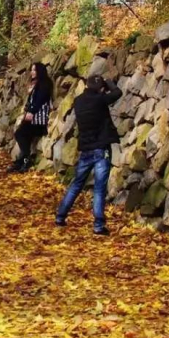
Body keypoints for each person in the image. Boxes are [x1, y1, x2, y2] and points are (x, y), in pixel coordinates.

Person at [55, 73, 122, 234]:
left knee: (77, 184)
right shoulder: (100, 99)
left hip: (86, 149)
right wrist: (109, 82)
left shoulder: (78, 101)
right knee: (99, 187)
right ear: (100, 87)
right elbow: (118, 93)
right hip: (101, 149)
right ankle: (98, 225)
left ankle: (60, 216)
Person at [11, 62, 53, 172]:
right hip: (33, 117)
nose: (32, 72)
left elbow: (40, 100)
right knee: (22, 135)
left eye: (34, 70)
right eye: (32, 70)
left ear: (40, 71)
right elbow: (32, 100)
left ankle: (26, 159)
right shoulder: (37, 84)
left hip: (39, 120)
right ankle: (22, 160)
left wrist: (31, 111)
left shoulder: (44, 84)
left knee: (19, 134)